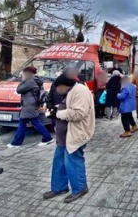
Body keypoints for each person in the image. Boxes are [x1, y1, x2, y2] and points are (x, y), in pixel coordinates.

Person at [43, 74, 95, 203]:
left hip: (75, 135)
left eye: (57, 88)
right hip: (64, 136)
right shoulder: (69, 91)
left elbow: (78, 113)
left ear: (63, 86)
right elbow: (66, 107)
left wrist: (58, 113)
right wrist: (54, 111)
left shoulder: (80, 91)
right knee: (59, 163)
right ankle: (59, 188)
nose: (56, 91)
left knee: (73, 163)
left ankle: (80, 188)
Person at [7, 66, 54, 148]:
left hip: (29, 105)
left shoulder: (30, 81)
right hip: (32, 104)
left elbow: (19, 90)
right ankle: (16, 142)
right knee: (26, 122)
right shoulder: (37, 80)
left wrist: (23, 81)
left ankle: (47, 138)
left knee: (32, 121)